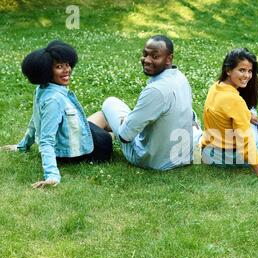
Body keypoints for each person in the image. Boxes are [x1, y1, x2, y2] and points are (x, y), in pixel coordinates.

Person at [1, 40, 112, 189]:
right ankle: (124, 136)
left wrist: (22, 146)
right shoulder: (54, 99)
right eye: (59, 67)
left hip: (74, 138)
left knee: (102, 115)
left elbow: (35, 121)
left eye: (67, 64)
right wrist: (52, 176)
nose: (67, 70)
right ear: (46, 71)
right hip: (96, 149)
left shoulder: (43, 90)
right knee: (110, 123)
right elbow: (46, 140)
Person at [98, 35, 198, 170]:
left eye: (155, 57)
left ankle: (86, 138)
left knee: (110, 103)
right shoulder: (180, 77)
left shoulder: (156, 91)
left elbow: (124, 136)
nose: (147, 60)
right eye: (145, 54)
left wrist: (125, 121)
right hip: (183, 155)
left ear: (169, 59)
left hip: (154, 161)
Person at [201, 48, 258, 183]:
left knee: (250, 113)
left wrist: (246, 113)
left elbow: (226, 110)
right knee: (253, 117)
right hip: (227, 158)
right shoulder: (235, 101)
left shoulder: (215, 87)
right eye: (242, 70)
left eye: (250, 71)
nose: (247, 75)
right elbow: (244, 139)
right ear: (228, 70)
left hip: (208, 152)